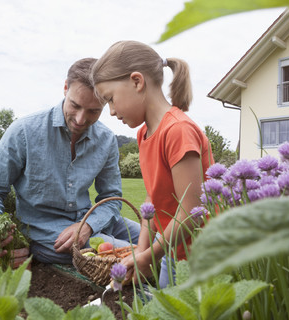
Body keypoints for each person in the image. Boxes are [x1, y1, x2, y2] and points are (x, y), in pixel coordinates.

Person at [0, 58, 140, 264]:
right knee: (138, 256)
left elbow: (112, 198)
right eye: (75, 105)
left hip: (91, 222)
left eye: (93, 111)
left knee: (161, 242)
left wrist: (87, 225)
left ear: (106, 101)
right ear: (65, 88)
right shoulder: (24, 131)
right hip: (49, 232)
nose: (80, 119)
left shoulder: (106, 140)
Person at [91, 40, 214, 288]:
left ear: (137, 81)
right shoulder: (144, 134)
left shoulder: (178, 131)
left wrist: (149, 256)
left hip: (200, 258)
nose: (112, 111)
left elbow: (191, 211)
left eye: (111, 99)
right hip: (171, 251)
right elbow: (152, 200)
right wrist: (142, 251)